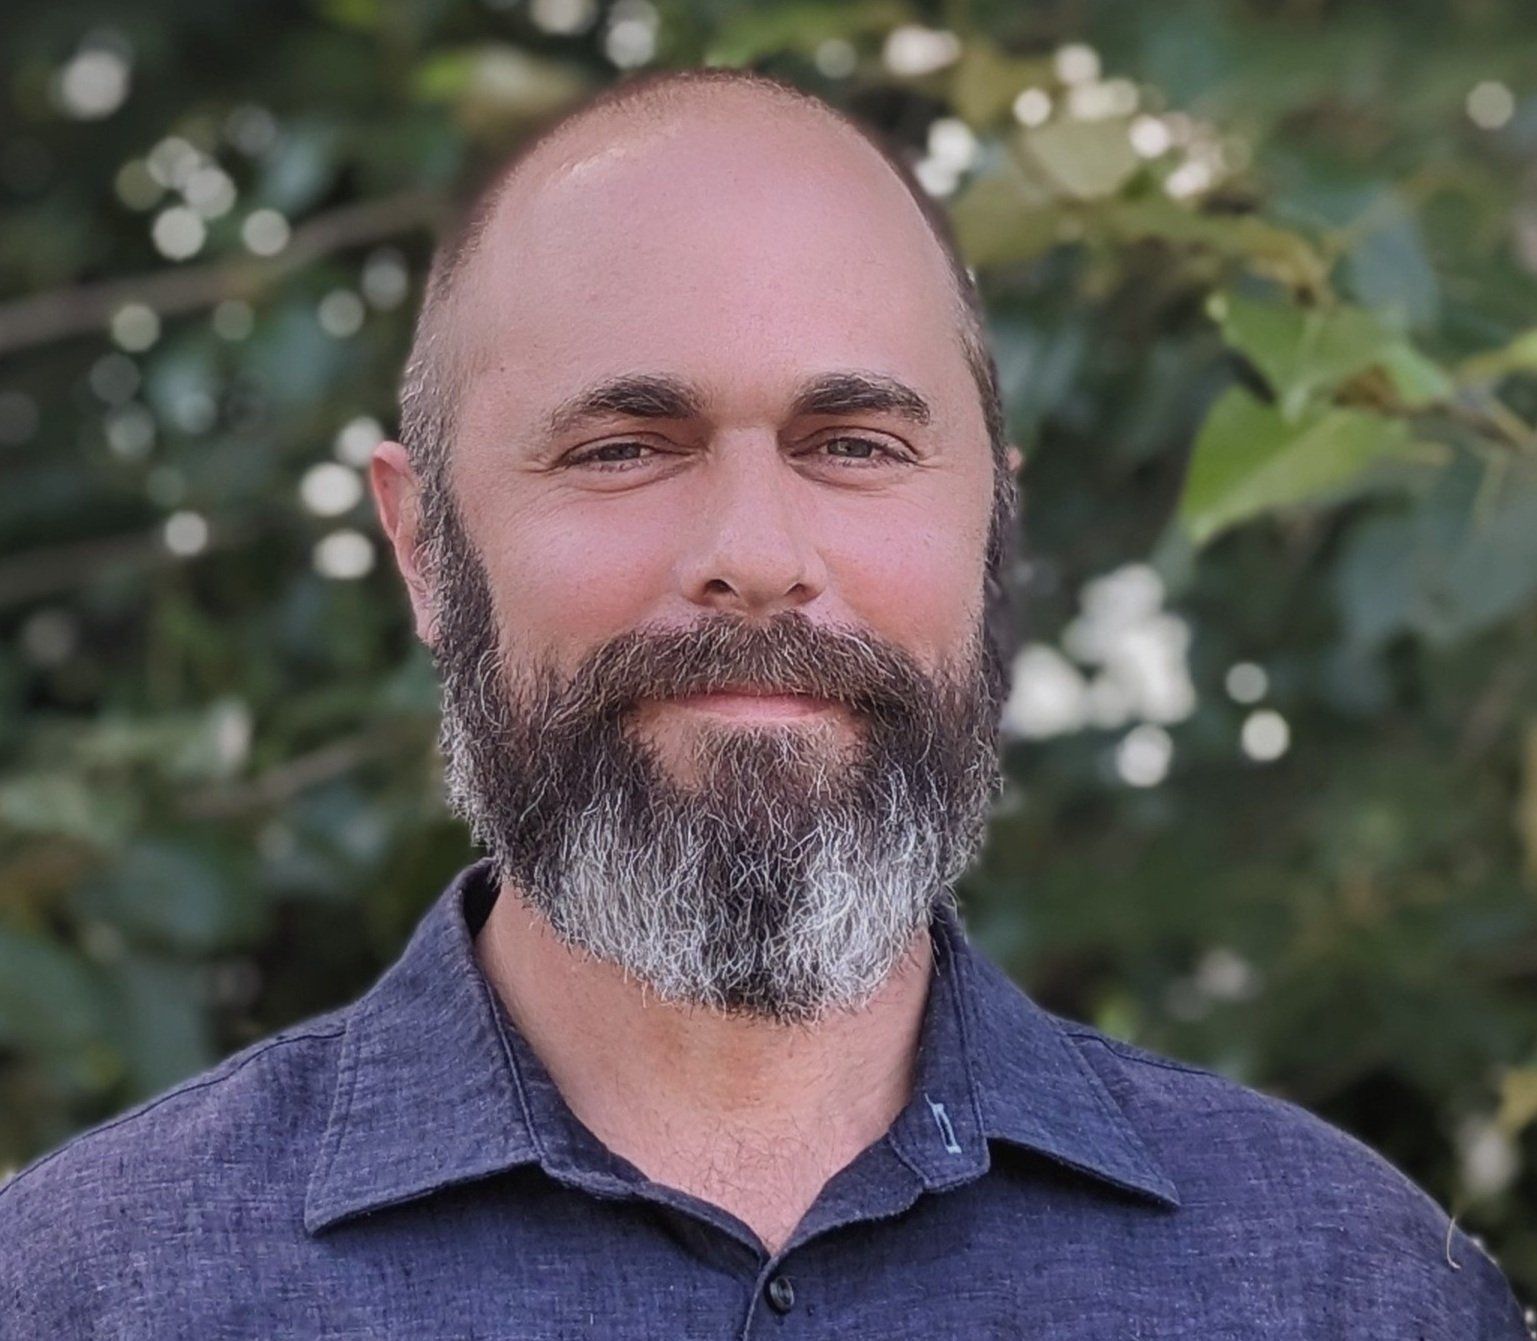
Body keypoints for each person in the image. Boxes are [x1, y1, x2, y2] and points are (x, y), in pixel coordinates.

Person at [0, 67, 1528, 1339]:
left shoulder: (1348, 1289)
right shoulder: (85, 1293)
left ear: (990, 534)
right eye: (623, 447)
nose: (754, 559)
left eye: (853, 443)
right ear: (422, 544)